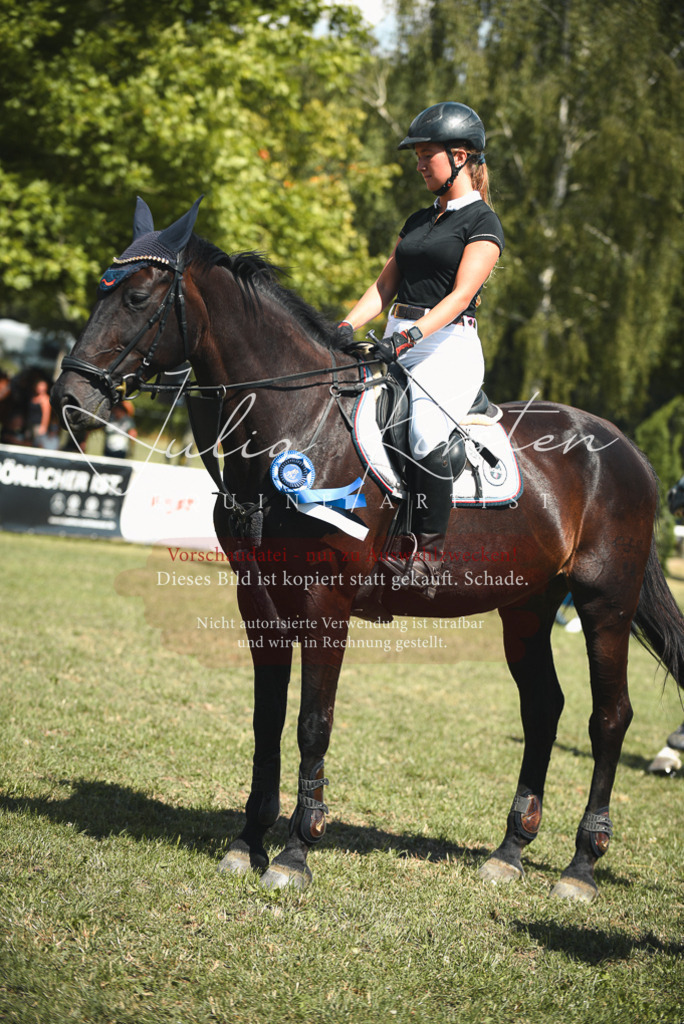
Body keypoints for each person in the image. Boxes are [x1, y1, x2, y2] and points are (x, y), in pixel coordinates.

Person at [337, 101, 504, 588]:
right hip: (396, 337)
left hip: (447, 347)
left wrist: (412, 335)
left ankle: (427, 554)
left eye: (425, 154)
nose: (418, 164)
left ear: (459, 156)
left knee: (425, 432)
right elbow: (383, 286)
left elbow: (460, 296)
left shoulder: (482, 223)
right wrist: (344, 328)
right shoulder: (417, 220)